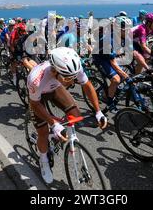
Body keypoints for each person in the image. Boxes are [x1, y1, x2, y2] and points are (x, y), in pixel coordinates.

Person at [27, 47, 107, 184]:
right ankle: (43, 159)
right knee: (43, 132)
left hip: (54, 86)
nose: (71, 82)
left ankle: (56, 135)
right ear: (54, 71)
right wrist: (53, 123)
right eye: (68, 78)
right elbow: (35, 105)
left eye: (73, 77)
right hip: (38, 97)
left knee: (75, 114)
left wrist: (98, 111)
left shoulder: (73, 67)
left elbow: (87, 85)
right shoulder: (37, 79)